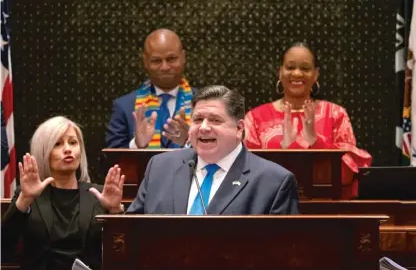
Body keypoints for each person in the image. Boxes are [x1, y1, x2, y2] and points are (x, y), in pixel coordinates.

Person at [126, 85, 299, 215]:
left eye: (215, 120)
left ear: (239, 129)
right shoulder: (160, 167)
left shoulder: (274, 182)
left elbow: (284, 253)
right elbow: (131, 232)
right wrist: (114, 210)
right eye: (197, 119)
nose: (203, 127)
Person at [244, 42, 372, 198]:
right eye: (290, 67)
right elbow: (246, 174)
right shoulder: (256, 117)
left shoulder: (335, 114)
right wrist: (283, 149)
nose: (297, 74)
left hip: (324, 212)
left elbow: (346, 175)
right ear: (280, 72)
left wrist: (316, 142)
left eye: (305, 68)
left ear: (316, 74)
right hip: (272, 210)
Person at [2, 116, 125, 270]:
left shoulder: (99, 195)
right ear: (44, 152)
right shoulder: (28, 196)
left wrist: (115, 211)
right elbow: (4, 246)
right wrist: (24, 200)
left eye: (73, 142)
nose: (68, 149)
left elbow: (123, 252)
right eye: (57, 144)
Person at [106, 28, 196, 149]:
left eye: (171, 59)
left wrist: (188, 142)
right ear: (145, 62)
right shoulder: (124, 107)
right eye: (156, 61)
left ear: (183, 57)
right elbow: (113, 158)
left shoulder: (205, 104)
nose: (164, 67)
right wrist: (137, 144)